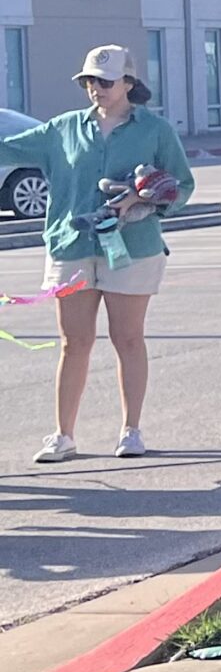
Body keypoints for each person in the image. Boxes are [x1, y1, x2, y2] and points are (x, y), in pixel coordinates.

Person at [7, 45, 194, 463]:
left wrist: (146, 198)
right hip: (72, 246)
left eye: (106, 81)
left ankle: (131, 430)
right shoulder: (62, 128)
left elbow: (182, 186)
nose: (97, 89)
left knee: (127, 338)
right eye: (90, 81)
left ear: (129, 83)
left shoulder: (156, 130)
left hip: (134, 248)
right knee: (74, 342)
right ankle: (63, 436)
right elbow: (9, 148)